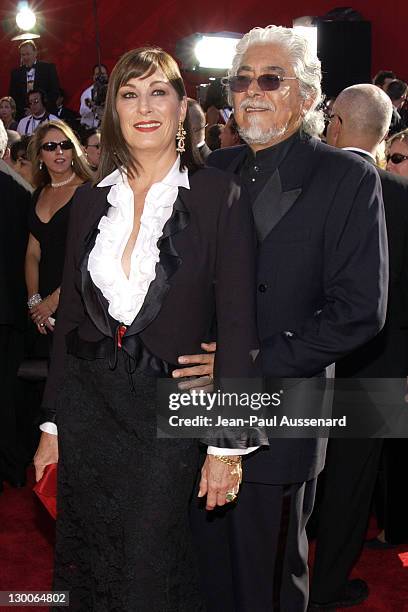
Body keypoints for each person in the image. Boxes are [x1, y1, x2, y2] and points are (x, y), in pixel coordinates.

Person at [33, 47, 262, 611]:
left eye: (159, 91)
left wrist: (226, 444)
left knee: (148, 560)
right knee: (86, 556)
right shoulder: (90, 201)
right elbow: (68, 327)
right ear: (112, 111)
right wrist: (51, 425)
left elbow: (238, 327)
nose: (144, 107)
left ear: (184, 107)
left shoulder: (218, 197)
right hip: (88, 409)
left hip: (169, 412)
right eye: (129, 94)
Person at [176, 25, 388, 611]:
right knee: (202, 574)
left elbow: (358, 313)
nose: (251, 91)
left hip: (282, 411)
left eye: (271, 78)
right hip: (197, 405)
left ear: (309, 96)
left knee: (266, 580)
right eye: (241, 79)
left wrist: (248, 364)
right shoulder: (211, 168)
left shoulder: (346, 176)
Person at [309, 83, 408, 609]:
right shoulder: (402, 195)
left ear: (336, 125)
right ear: (385, 134)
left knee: (299, 476)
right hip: (379, 367)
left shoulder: (306, 187)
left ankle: (285, 577)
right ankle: (327, 588)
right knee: (351, 484)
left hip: (302, 358)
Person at [25, 120, 92, 343]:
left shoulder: (89, 192)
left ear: (74, 150)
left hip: (79, 300)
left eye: (65, 144)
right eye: (50, 146)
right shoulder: (38, 194)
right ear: (40, 156)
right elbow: (33, 252)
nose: (59, 151)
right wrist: (35, 302)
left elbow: (90, 256)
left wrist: (53, 302)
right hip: (42, 307)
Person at [0, 120, 31, 492]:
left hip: (10, 306)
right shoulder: (22, 193)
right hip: (10, 309)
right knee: (7, 391)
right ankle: (11, 464)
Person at [9, 40, 60, 119]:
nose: (25, 57)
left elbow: (54, 92)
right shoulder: (16, 73)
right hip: (24, 116)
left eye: (28, 54)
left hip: (46, 115)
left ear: (35, 53)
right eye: (23, 55)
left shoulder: (48, 68)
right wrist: (25, 110)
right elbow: (13, 96)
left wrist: (39, 108)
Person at [79, 64, 109, 128]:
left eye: (103, 74)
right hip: (92, 129)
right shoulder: (87, 93)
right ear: (93, 76)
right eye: (98, 74)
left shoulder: (112, 91)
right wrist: (94, 108)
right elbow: (83, 112)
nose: (101, 76)